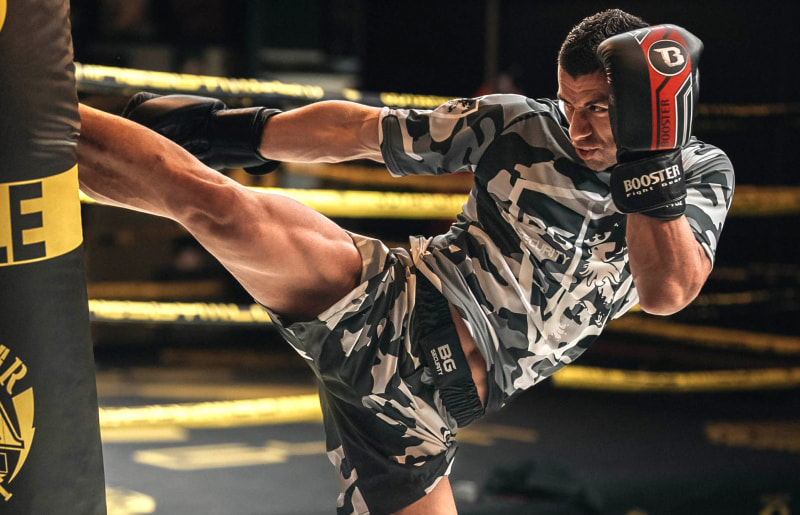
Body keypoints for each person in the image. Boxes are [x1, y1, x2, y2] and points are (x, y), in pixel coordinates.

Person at [76, 9, 734, 515]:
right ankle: (41, 117)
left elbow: (668, 291)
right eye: (569, 103)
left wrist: (650, 161)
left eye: (599, 107)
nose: (579, 127)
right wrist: (232, 132)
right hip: (386, 301)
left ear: (647, 105)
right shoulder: (521, 126)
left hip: (416, 422)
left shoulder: (701, 173)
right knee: (218, 205)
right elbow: (362, 131)